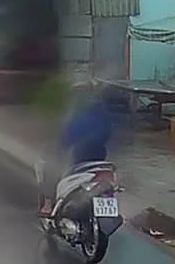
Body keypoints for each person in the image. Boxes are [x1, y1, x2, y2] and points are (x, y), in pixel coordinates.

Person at [38, 84, 117, 216]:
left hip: (80, 155)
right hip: (99, 155)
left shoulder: (77, 112)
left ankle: (48, 205)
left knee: (52, 165)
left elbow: (68, 136)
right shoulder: (102, 110)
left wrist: (58, 145)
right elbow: (107, 133)